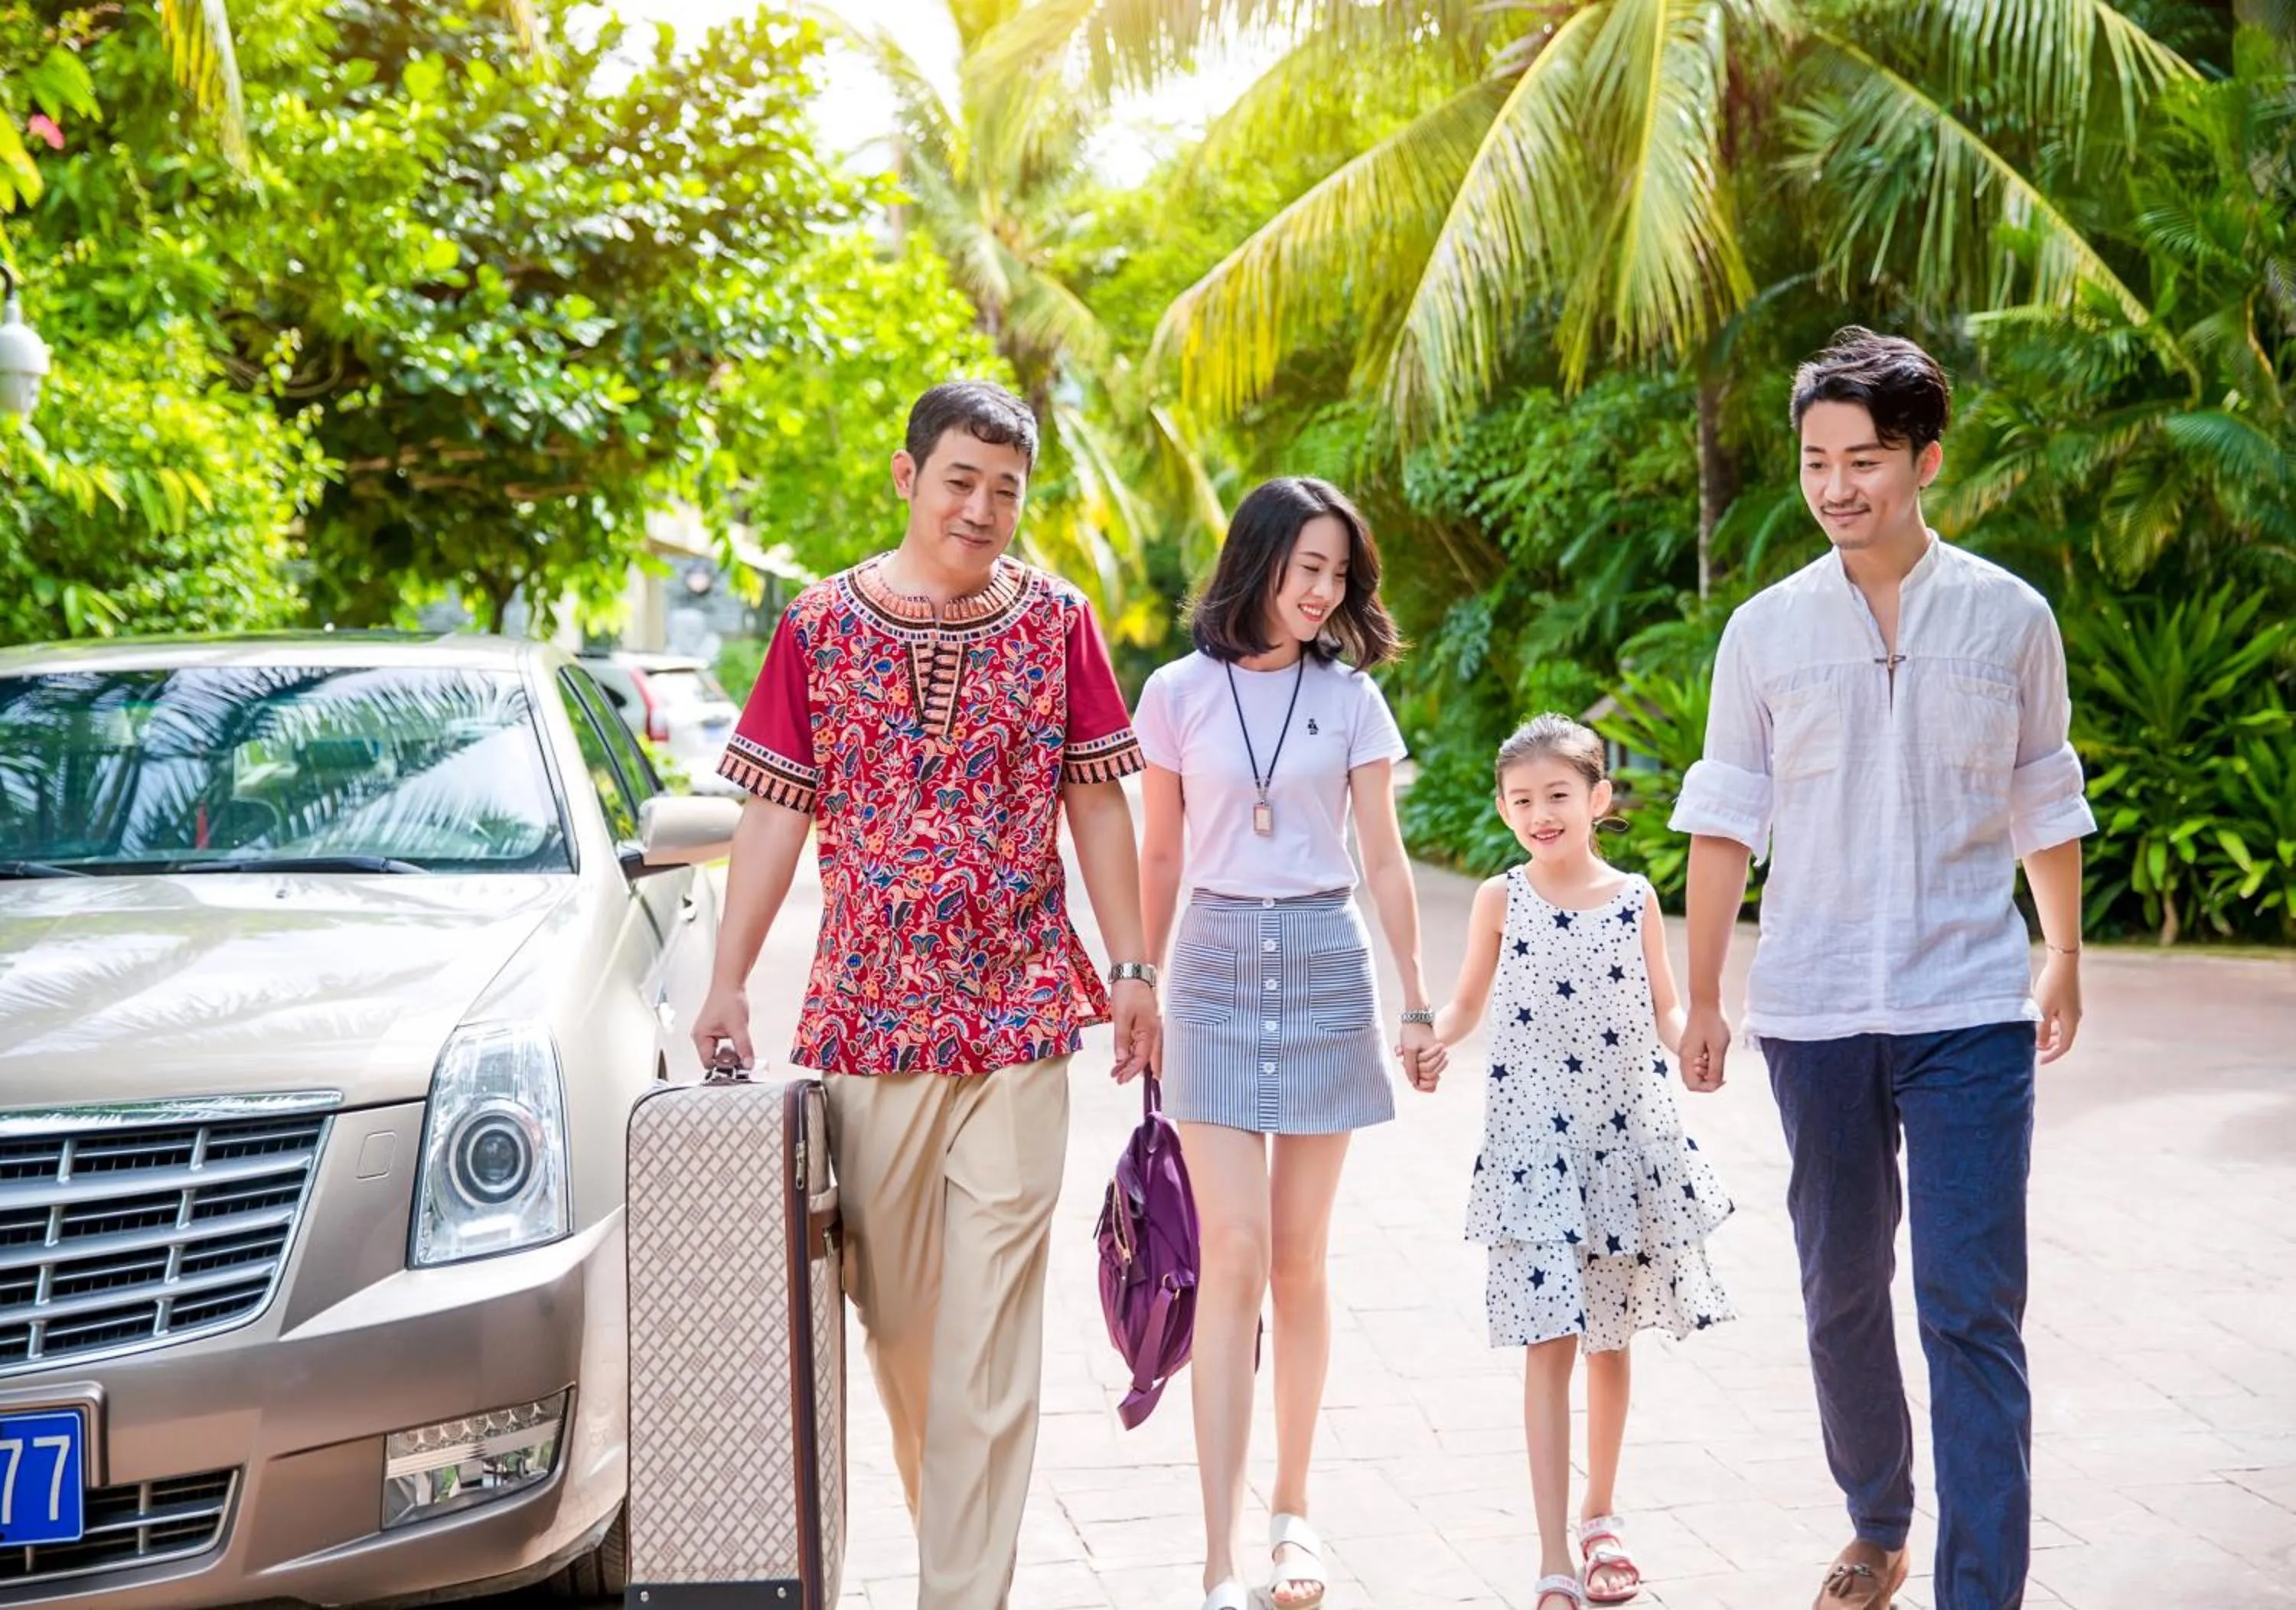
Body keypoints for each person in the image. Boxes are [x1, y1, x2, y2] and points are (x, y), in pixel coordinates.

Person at [693, 379, 1161, 1610]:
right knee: (899, 1331)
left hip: (1018, 1016)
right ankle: (948, 1527)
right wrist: (728, 980)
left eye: (1007, 489)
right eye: (961, 480)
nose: (984, 507)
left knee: (991, 1344)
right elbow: (775, 809)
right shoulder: (817, 626)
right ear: (908, 478)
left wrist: (1131, 967)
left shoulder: (1058, 622)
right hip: (870, 1021)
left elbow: (1100, 803)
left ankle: (962, 1595)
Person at [1670, 328, 2095, 1610]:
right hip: (1812, 1008)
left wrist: (2063, 952)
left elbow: (2043, 790)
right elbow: (1727, 818)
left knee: (1972, 1300)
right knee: (1840, 1281)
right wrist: (1701, 993)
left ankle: (1981, 1586)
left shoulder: (2010, 616)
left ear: (1925, 461)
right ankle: (1877, 1512)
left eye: (1866, 459)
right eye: (1817, 460)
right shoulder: (1767, 629)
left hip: (1969, 998)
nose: (1839, 485)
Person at [1133, 476, 1437, 1610]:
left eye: (1339, 575)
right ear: (1256, 560)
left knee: (1303, 1264)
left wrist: (1416, 997)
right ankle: (1216, 1557)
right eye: (1307, 567)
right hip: (1209, 966)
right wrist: (1140, 983)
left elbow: (1387, 857)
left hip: (1322, 961)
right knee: (1237, 1256)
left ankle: (1293, 1516)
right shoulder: (1175, 693)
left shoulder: (1352, 698)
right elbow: (1160, 857)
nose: (1323, 591)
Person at [1424, 714, 1733, 1610]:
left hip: (1622, 1140)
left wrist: (1693, 1046)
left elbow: (1668, 1009)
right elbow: (1464, 1005)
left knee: (1609, 1337)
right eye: (1521, 800)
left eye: (1557, 795)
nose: (1540, 813)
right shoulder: (1498, 898)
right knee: (1548, 1340)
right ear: (1503, 809)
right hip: (1535, 1151)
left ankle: (1603, 1516)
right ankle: (1554, 1554)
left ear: (1599, 799)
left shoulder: (1636, 897)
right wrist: (1427, 1037)